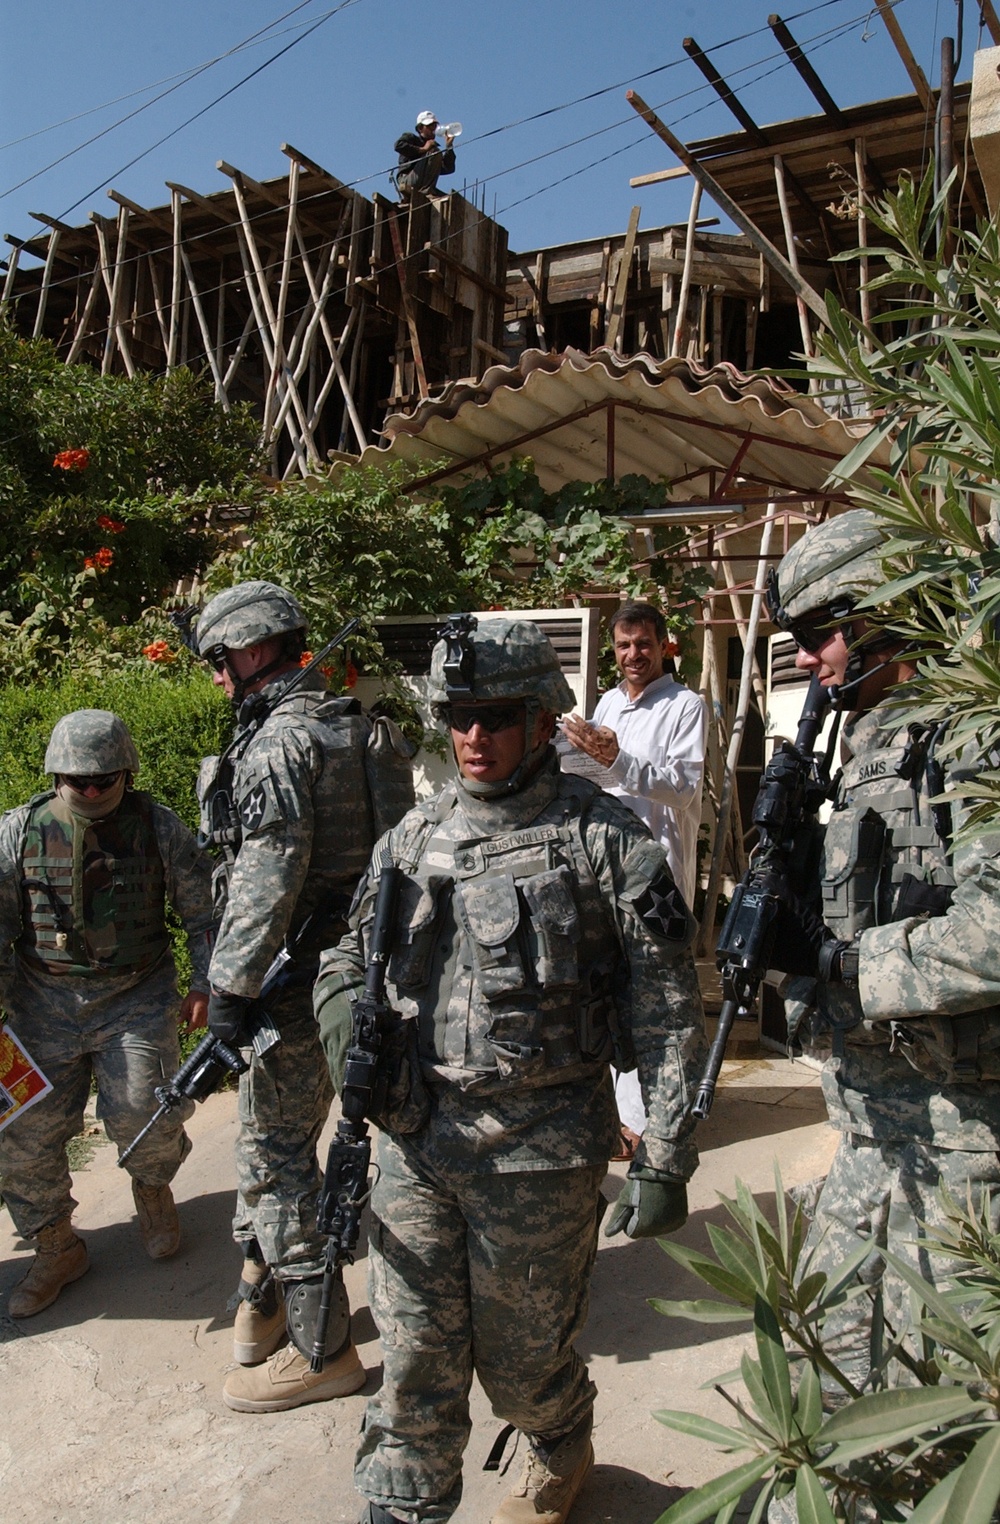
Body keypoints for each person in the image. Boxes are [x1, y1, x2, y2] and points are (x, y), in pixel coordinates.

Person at [314, 615, 707, 1524]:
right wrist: (340, 1018)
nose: (473, 738)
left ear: (541, 720)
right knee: (414, 1358)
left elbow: (666, 1007)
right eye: (458, 717)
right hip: (418, 1140)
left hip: (542, 1150)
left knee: (525, 1366)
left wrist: (667, 1153)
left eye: (494, 717)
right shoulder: (414, 837)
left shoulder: (607, 843)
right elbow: (349, 952)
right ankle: (405, 1499)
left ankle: (558, 1440)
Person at [765, 509, 1000, 1401]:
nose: (801, 657)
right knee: (823, 1396)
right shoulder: (867, 739)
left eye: (817, 631)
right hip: (873, 1133)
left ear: (883, 610)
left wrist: (848, 970)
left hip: (962, 1152)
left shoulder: (973, 730)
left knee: (932, 1419)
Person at [195, 580, 415, 1414]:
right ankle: (264, 1294)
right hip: (359, 971)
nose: (218, 679)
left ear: (255, 653)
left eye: (222, 661)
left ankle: (322, 1348)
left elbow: (267, 874)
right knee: (290, 1136)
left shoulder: (283, 743)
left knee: (273, 1154)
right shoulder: (358, 726)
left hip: (293, 981)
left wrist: (229, 984)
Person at [0, 709, 213, 1317]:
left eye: (105, 780)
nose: (92, 791)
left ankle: (153, 1189)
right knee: (23, 1134)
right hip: (40, 1002)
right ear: (56, 775)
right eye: (78, 781)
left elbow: (202, 913)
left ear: (127, 773)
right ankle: (55, 1245)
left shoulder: (159, 827)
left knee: (145, 1109)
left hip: (136, 997)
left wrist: (206, 981)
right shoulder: (19, 833)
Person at [563, 600, 707, 1153]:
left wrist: (617, 760)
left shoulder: (685, 706)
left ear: (663, 646)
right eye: (623, 646)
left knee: (658, 998)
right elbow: (596, 774)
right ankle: (622, 1120)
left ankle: (657, 1126)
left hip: (657, 875)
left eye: (643, 644)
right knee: (608, 988)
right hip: (603, 871)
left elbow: (683, 788)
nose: (632, 655)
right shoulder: (605, 704)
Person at [394, 111, 456, 200]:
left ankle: (428, 191)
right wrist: (423, 149)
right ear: (420, 128)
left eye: (434, 126)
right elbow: (398, 145)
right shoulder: (411, 138)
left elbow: (448, 168)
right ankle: (427, 192)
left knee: (451, 199)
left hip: (421, 183)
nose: (433, 129)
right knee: (434, 152)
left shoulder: (432, 148)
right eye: (430, 126)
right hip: (407, 179)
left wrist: (449, 147)